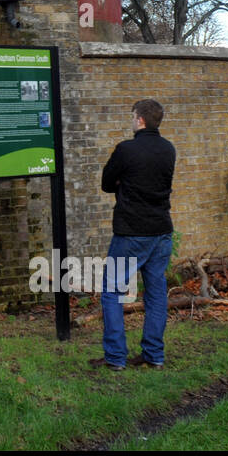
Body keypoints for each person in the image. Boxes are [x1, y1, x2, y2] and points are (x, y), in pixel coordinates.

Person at [90, 99, 176, 371]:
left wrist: (123, 183)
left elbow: (106, 184)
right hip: (161, 232)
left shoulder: (126, 150)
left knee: (112, 292)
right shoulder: (168, 149)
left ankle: (115, 357)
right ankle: (154, 355)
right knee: (156, 293)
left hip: (131, 233)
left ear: (139, 120)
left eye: (132, 117)